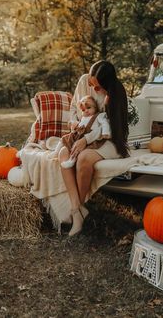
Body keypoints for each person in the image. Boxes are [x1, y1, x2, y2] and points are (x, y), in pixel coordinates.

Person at [60, 60, 129, 237]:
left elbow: (111, 130)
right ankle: (77, 209)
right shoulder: (84, 81)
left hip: (108, 140)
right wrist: (75, 124)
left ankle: (78, 212)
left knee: (83, 158)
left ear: (106, 86)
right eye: (92, 83)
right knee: (63, 153)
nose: (93, 88)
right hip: (83, 133)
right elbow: (74, 108)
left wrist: (87, 139)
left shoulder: (115, 94)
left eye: (97, 87)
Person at [57, 95, 111, 168]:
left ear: (95, 107)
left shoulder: (99, 116)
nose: (86, 111)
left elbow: (104, 123)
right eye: (83, 110)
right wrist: (74, 125)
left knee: (79, 150)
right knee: (64, 139)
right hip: (79, 136)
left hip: (89, 139)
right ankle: (55, 152)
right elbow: (80, 126)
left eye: (88, 108)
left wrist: (105, 132)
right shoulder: (83, 118)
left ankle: (72, 160)